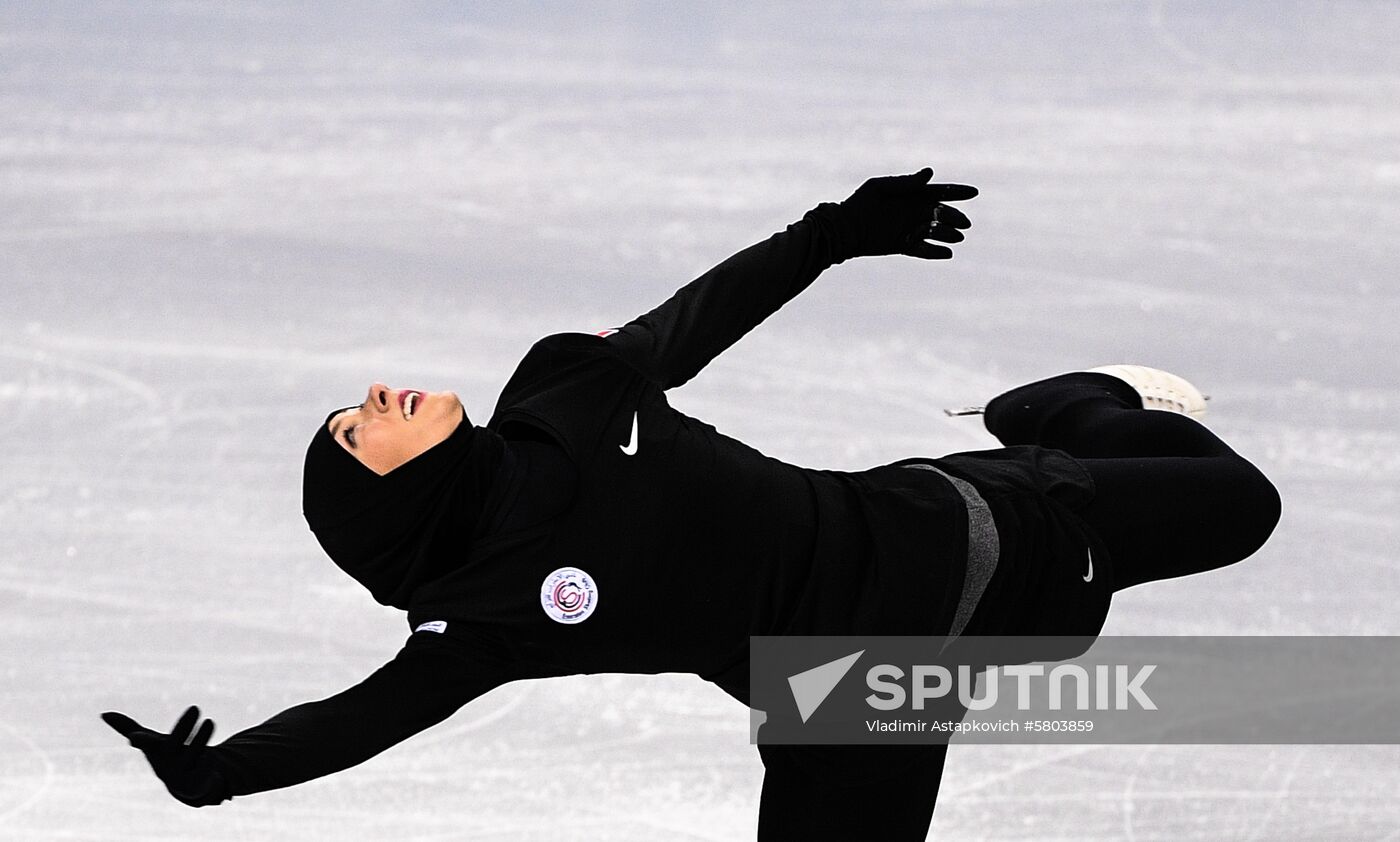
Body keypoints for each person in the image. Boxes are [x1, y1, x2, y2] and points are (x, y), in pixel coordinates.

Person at [102, 168, 1281, 840]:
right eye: (358, 430)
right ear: (389, 497)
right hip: (847, 699)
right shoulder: (483, 611)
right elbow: (359, 718)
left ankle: (1071, 406)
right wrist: (218, 774)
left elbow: (696, 313)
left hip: (963, 532)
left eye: (356, 402)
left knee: (1239, 504)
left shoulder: (561, 386)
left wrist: (836, 233)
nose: (372, 396)